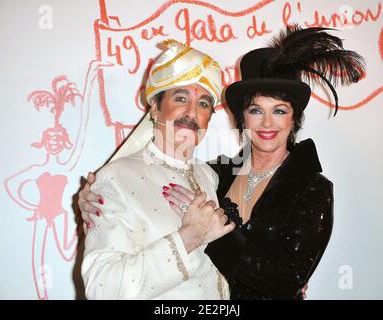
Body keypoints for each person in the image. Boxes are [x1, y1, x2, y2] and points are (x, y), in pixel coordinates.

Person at [80, 26, 366, 299]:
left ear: (294, 120)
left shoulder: (312, 189)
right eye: (256, 110)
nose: (267, 122)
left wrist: (210, 234)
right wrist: (90, 199)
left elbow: (286, 281)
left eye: (279, 111)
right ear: (242, 118)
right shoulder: (216, 174)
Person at [80, 39, 236, 300]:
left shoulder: (208, 175)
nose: (191, 113)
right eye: (180, 98)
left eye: (204, 104)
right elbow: (102, 289)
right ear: (154, 106)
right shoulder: (114, 178)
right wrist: (188, 238)